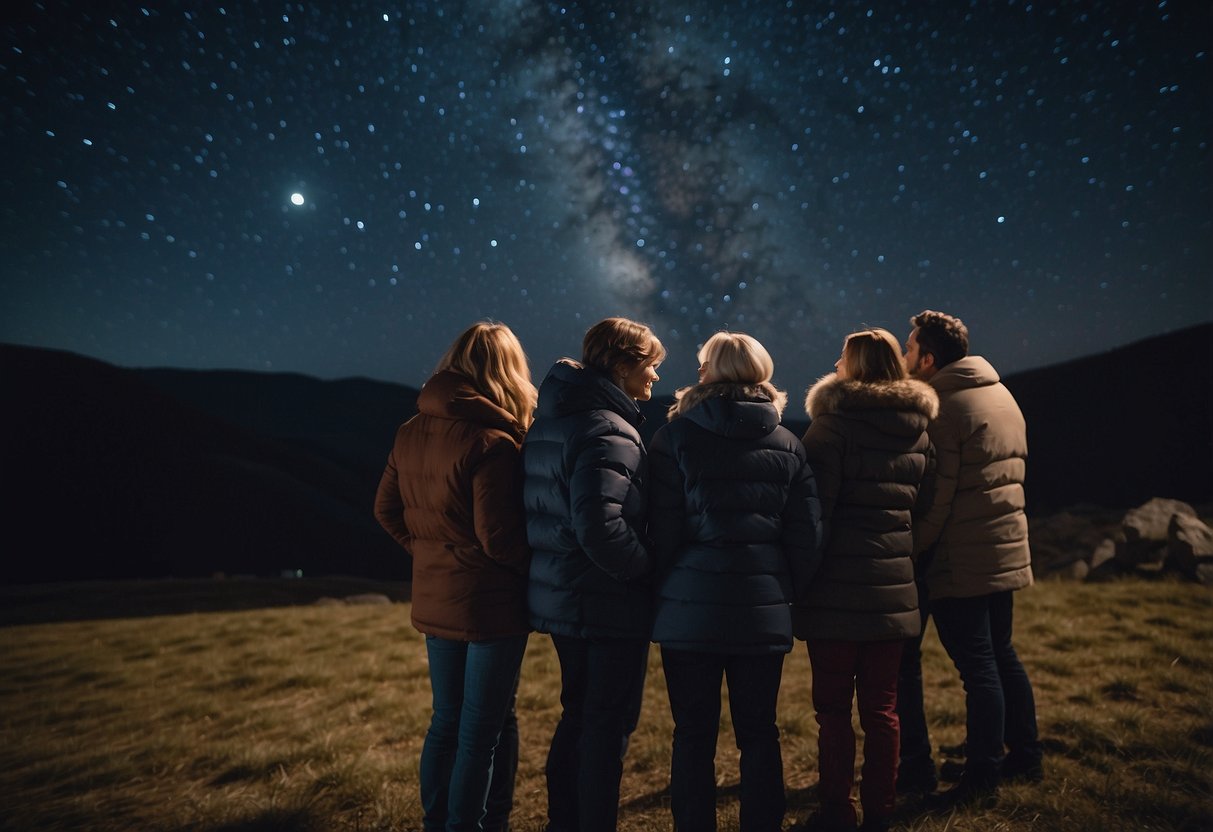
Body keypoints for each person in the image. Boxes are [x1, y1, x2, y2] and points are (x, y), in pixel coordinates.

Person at [648, 331, 822, 832]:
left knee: (692, 735)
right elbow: (806, 535)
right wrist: (784, 591)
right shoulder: (788, 442)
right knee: (760, 732)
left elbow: (662, 529)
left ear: (711, 373)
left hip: (689, 610)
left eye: (703, 364)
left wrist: (664, 588)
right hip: (761, 608)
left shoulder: (675, 438)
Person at [373, 322, 536, 832]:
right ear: (508, 370)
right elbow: (497, 538)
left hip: (437, 599)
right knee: (479, 733)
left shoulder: (409, 429)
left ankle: (446, 822)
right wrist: (541, 571)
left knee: (448, 722)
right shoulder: (493, 440)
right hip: (489, 605)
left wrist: (430, 555)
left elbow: (386, 510)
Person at [522, 317, 665, 832]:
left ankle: (564, 821)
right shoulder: (606, 427)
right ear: (622, 365)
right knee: (606, 729)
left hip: (566, 594)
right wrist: (647, 570)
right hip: (605, 598)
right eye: (649, 366)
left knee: (577, 717)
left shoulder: (557, 416)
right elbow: (601, 527)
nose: (653, 377)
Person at [794, 328, 939, 832]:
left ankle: (838, 812)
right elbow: (924, 509)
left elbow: (815, 519)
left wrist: (801, 582)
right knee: (883, 709)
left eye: (841, 355)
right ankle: (882, 811)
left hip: (835, 594)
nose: (834, 362)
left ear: (854, 365)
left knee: (833, 712)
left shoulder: (830, 431)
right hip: (895, 591)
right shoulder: (920, 431)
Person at [902, 309, 1043, 808]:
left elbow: (939, 497)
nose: (903, 356)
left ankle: (983, 774)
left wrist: (916, 548)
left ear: (929, 358)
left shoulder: (945, 406)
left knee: (977, 665)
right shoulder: (999, 392)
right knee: (1001, 654)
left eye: (909, 348)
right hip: (1003, 544)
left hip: (964, 553)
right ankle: (1024, 753)